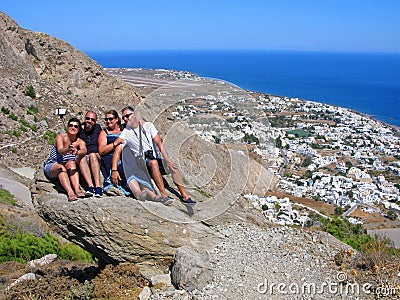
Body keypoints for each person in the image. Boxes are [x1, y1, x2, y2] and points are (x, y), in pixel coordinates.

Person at [118, 106, 196, 205]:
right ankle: (164, 195)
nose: (125, 119)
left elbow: (159, 144)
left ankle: (184, 196)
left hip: (152, 158)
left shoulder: (148, 126)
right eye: (123, 117)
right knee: (154, 163)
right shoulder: (125, 133)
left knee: (173, 166)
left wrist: (168, 160)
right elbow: (118, 149)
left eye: (127, 116)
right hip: (141, 164)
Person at [43, 118, 88, 202]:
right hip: (53, 165)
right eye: (71, 125)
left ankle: (77, 190)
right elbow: (60, 151)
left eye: (76, 126)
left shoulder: (79, 141)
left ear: (78, 130)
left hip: (68, 164)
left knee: (71, 164)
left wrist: (77, 152)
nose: (73, 127)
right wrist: (67, 149)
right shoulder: (60, 136)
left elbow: (84, 150)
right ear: (67, 127)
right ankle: (70, 192)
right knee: (61, 168)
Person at [98, 110, 130, 196]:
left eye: (110, 119)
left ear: (117, 119)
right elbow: (101, 150)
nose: (108, 121)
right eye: (106, 119)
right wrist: (114, 143)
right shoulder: (104, 132)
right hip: (109, 156)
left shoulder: (124, 130)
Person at [79, 110, 103, 197]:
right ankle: (90, 187)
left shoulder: (97, 128)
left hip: (95, 155)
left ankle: (98, 187)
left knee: (93, 155)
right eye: (88, 118)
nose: (90, 121)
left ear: (95, 122)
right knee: (82, 157)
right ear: (84, 119)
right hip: (83, 155)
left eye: (92, 120)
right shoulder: (79, 130)